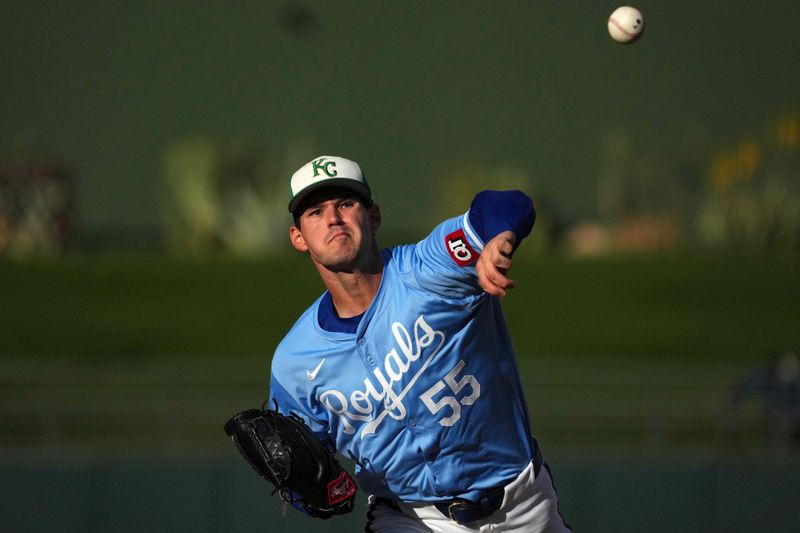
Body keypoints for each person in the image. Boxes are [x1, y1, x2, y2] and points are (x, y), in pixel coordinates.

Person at [268, 155, 570, 532]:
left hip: (522, 507)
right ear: (298, 237)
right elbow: (302, 471)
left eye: (346, 204)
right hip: (409, 518)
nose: (333, 218)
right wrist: (311, 491)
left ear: (373, 217)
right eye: (315, 211)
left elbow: (507, 204)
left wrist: (500, 237)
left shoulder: (432, 270)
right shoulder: (294, 363)